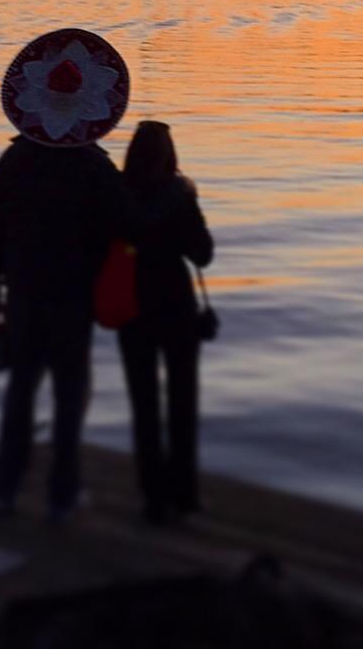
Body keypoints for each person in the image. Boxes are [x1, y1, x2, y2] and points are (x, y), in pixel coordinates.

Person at [0, 28, 130, 522]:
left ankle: (6, 485)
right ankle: (61, 496)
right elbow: (123, 227)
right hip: (73, 297)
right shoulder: (96, 169)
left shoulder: (15, 160)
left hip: (23, 291)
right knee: (69, 396)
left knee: (21, 388)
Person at [118, 120, 213, 523]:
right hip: (176, 307)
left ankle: (153, 499)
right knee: (182, 403)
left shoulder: (117, 194)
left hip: (133, 307)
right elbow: (203, 255)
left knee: (144, 406)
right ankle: (185, 496)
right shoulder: (180, 194)